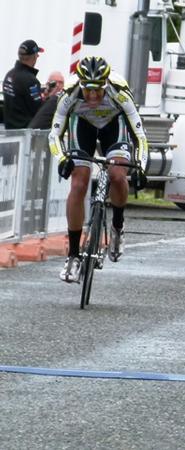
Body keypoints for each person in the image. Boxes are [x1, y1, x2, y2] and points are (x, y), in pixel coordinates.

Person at [48, 56, 148, 283]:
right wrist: (62, 158)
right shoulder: (70, 94)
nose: (93, 96)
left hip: (114, 125)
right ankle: (73, 256)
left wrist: (141, 166)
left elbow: (140, 135)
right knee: (79, 182)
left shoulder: (119, 91)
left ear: (106, 85)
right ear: (80, 85)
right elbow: (54, 134)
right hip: (83, 126)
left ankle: (117, 227)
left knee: (118, 175)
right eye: (88, 90)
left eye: (98, 91)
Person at [2, 39, 44, 129]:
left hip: (9, 131)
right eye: (37, 54)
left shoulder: (9, 75)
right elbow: (39, 111)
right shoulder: (31, 81)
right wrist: (49, 98)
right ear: (34, 56)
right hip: (24, 135)